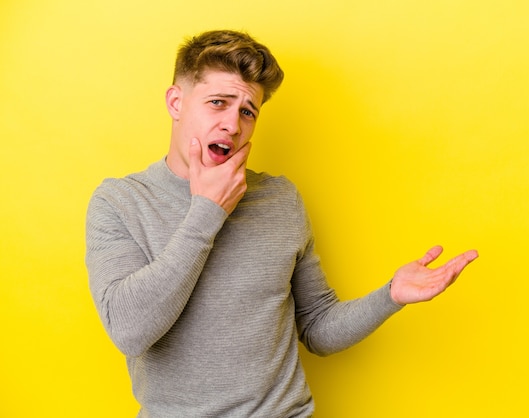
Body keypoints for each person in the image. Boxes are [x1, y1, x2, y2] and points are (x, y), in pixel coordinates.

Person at [85, 29, 478, 417]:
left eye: (247, 111)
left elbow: (318, 327)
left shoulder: (280, 199)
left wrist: (390, 295)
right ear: (176, 102)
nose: (233, 125)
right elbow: (130, 331)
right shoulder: (119, 202)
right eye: (218, 102)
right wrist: (207, 211)